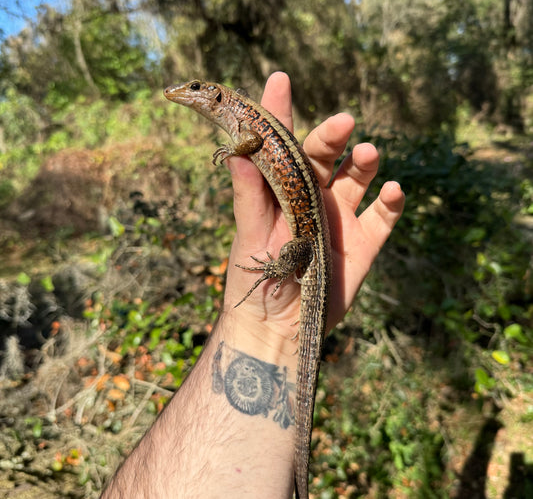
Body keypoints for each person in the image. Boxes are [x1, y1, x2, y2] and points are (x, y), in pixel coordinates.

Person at [101, 72, 405, 498]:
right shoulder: (244, 117)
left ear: (215, 94)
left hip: (307, 243)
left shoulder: (245, 121)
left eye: (192, 88)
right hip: (307, 240)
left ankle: (279, 272)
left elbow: (250, 144)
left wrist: (279, 270)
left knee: (288, 260)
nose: (183, 94)